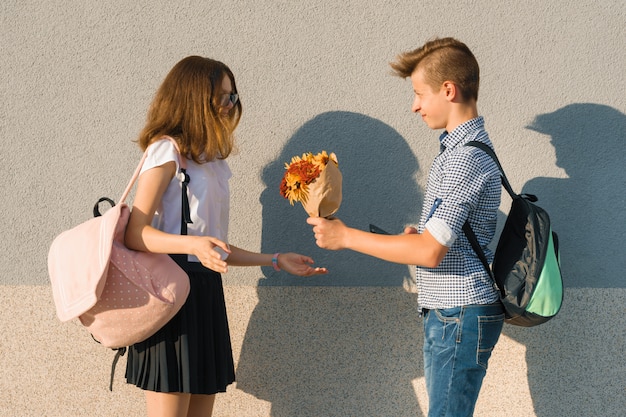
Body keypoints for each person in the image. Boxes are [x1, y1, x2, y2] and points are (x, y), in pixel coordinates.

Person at [307, 37, 504, 417]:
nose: (414, 105)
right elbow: (444, 240)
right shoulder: (460, 152)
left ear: (448, 90)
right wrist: (414, 237)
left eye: (419, 94)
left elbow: (431, 252)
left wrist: (345, 236)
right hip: (453, 310)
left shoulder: (464, 160)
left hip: (458, 313)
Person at [124, 56, 327, 417]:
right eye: (222, 96)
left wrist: (275, 260)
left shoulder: (211, 160)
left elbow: (212, 245)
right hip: (171, 292)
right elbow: (136, 234)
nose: (230, 105)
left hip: (205, 294)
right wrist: (192, 245)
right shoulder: (166, 151)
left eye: (233, 97)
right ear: (193, 98)